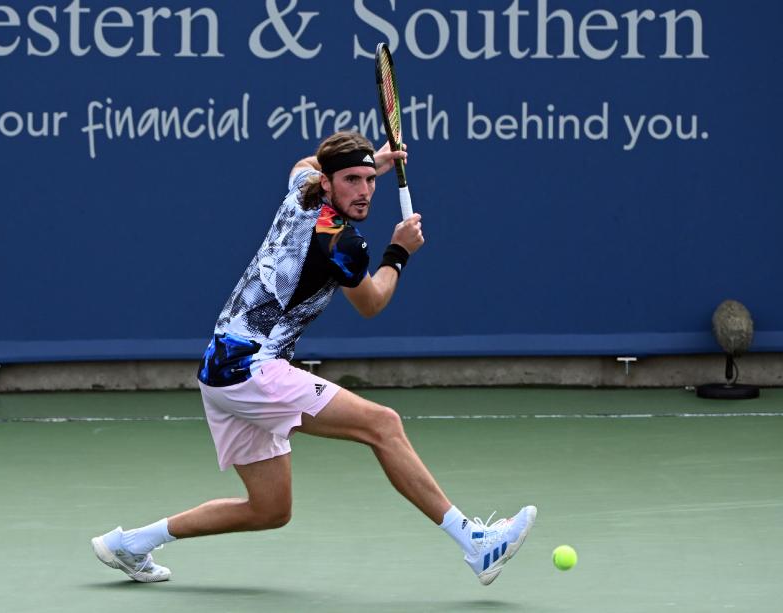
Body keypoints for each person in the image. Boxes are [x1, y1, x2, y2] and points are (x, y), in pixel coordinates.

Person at [91, 131, 536, 586]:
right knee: (383, 425)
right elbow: (371, 303)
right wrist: (399, 252)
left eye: (369, 179)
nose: (363, 191)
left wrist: (373, 161)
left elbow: (303, 163)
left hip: (218, 369)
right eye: (351, 180)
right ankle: (475, 541)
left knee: (270, 509)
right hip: (252, 369)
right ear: (328, 183)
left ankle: (131, 544)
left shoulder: (300, 193)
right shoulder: (342, 242)